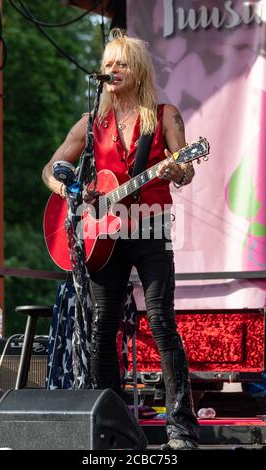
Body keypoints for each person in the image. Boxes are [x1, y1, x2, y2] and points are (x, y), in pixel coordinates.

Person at [42, 29, 199, 450]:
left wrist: (176, 169)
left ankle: (180, 428)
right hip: (103, 236)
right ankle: (110, 425)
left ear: (138, 70)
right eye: (108, 64)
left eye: (120, 64)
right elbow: (51, 167)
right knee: (101, 328)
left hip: (149, 228)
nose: (112, 71)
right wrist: (71, 193)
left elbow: (186, 170)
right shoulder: (92, 122)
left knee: (162, 324)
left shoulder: (164, 115)